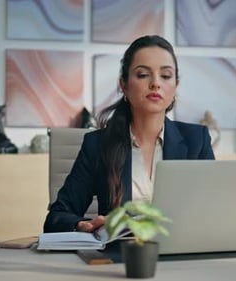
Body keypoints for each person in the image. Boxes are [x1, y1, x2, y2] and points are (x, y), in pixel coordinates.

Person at [43, 35, 215, 233]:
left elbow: (214, 212)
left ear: (175, 85)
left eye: (166, 76)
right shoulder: (98, 144)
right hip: (120, 258)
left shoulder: (197, 141)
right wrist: (83, 225)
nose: (156, 84)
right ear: (123, 85)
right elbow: (57, 217)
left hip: (182, 257)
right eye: (143, 75)